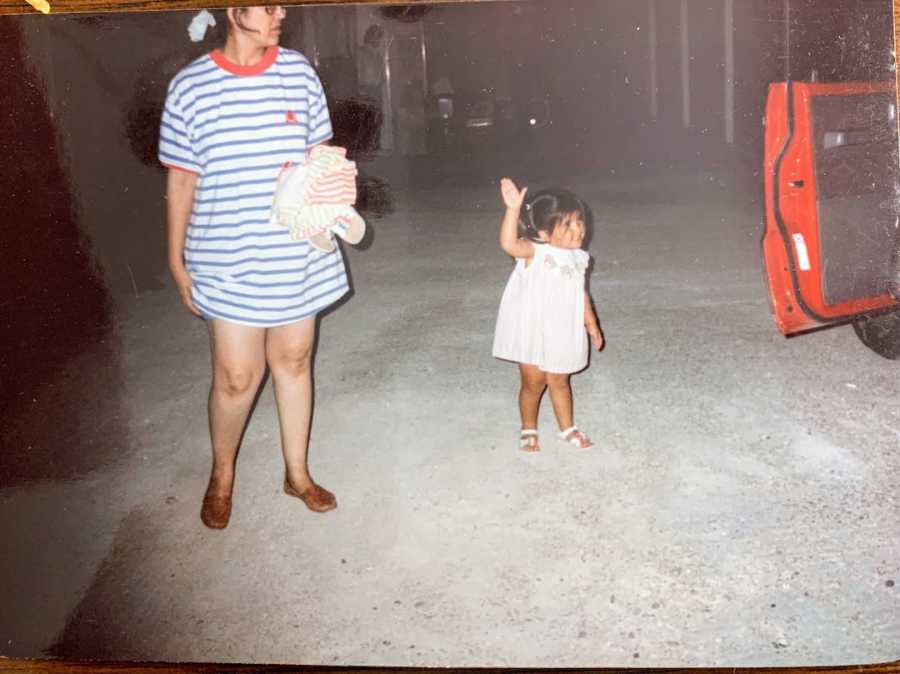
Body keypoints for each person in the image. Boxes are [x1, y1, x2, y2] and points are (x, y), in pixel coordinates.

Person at [159, 6, 347, 529]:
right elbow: (180, 181)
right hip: (226, 252)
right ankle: (221, 476)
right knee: (238, 377)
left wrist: (331, 199)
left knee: (293, 359)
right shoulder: (191, 87)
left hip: (294, 249)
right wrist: (175, 259)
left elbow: (320, 157)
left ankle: (297, 474)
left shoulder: (298, 73)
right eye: (267, 4)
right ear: (231, 10)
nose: (280, 12)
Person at [492, 178, 604, 452]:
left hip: (562, 330)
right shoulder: (536, 252)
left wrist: (591, 322)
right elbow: (508, 244)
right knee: (533, 383)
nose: (578, 230)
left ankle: (567, 428)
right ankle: (528, 428)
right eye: (567, 224)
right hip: (531, 329)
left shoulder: (578, 257)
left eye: (580, 221)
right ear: (543, 232)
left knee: (560, 381)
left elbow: (580, 292)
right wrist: (512, 210)